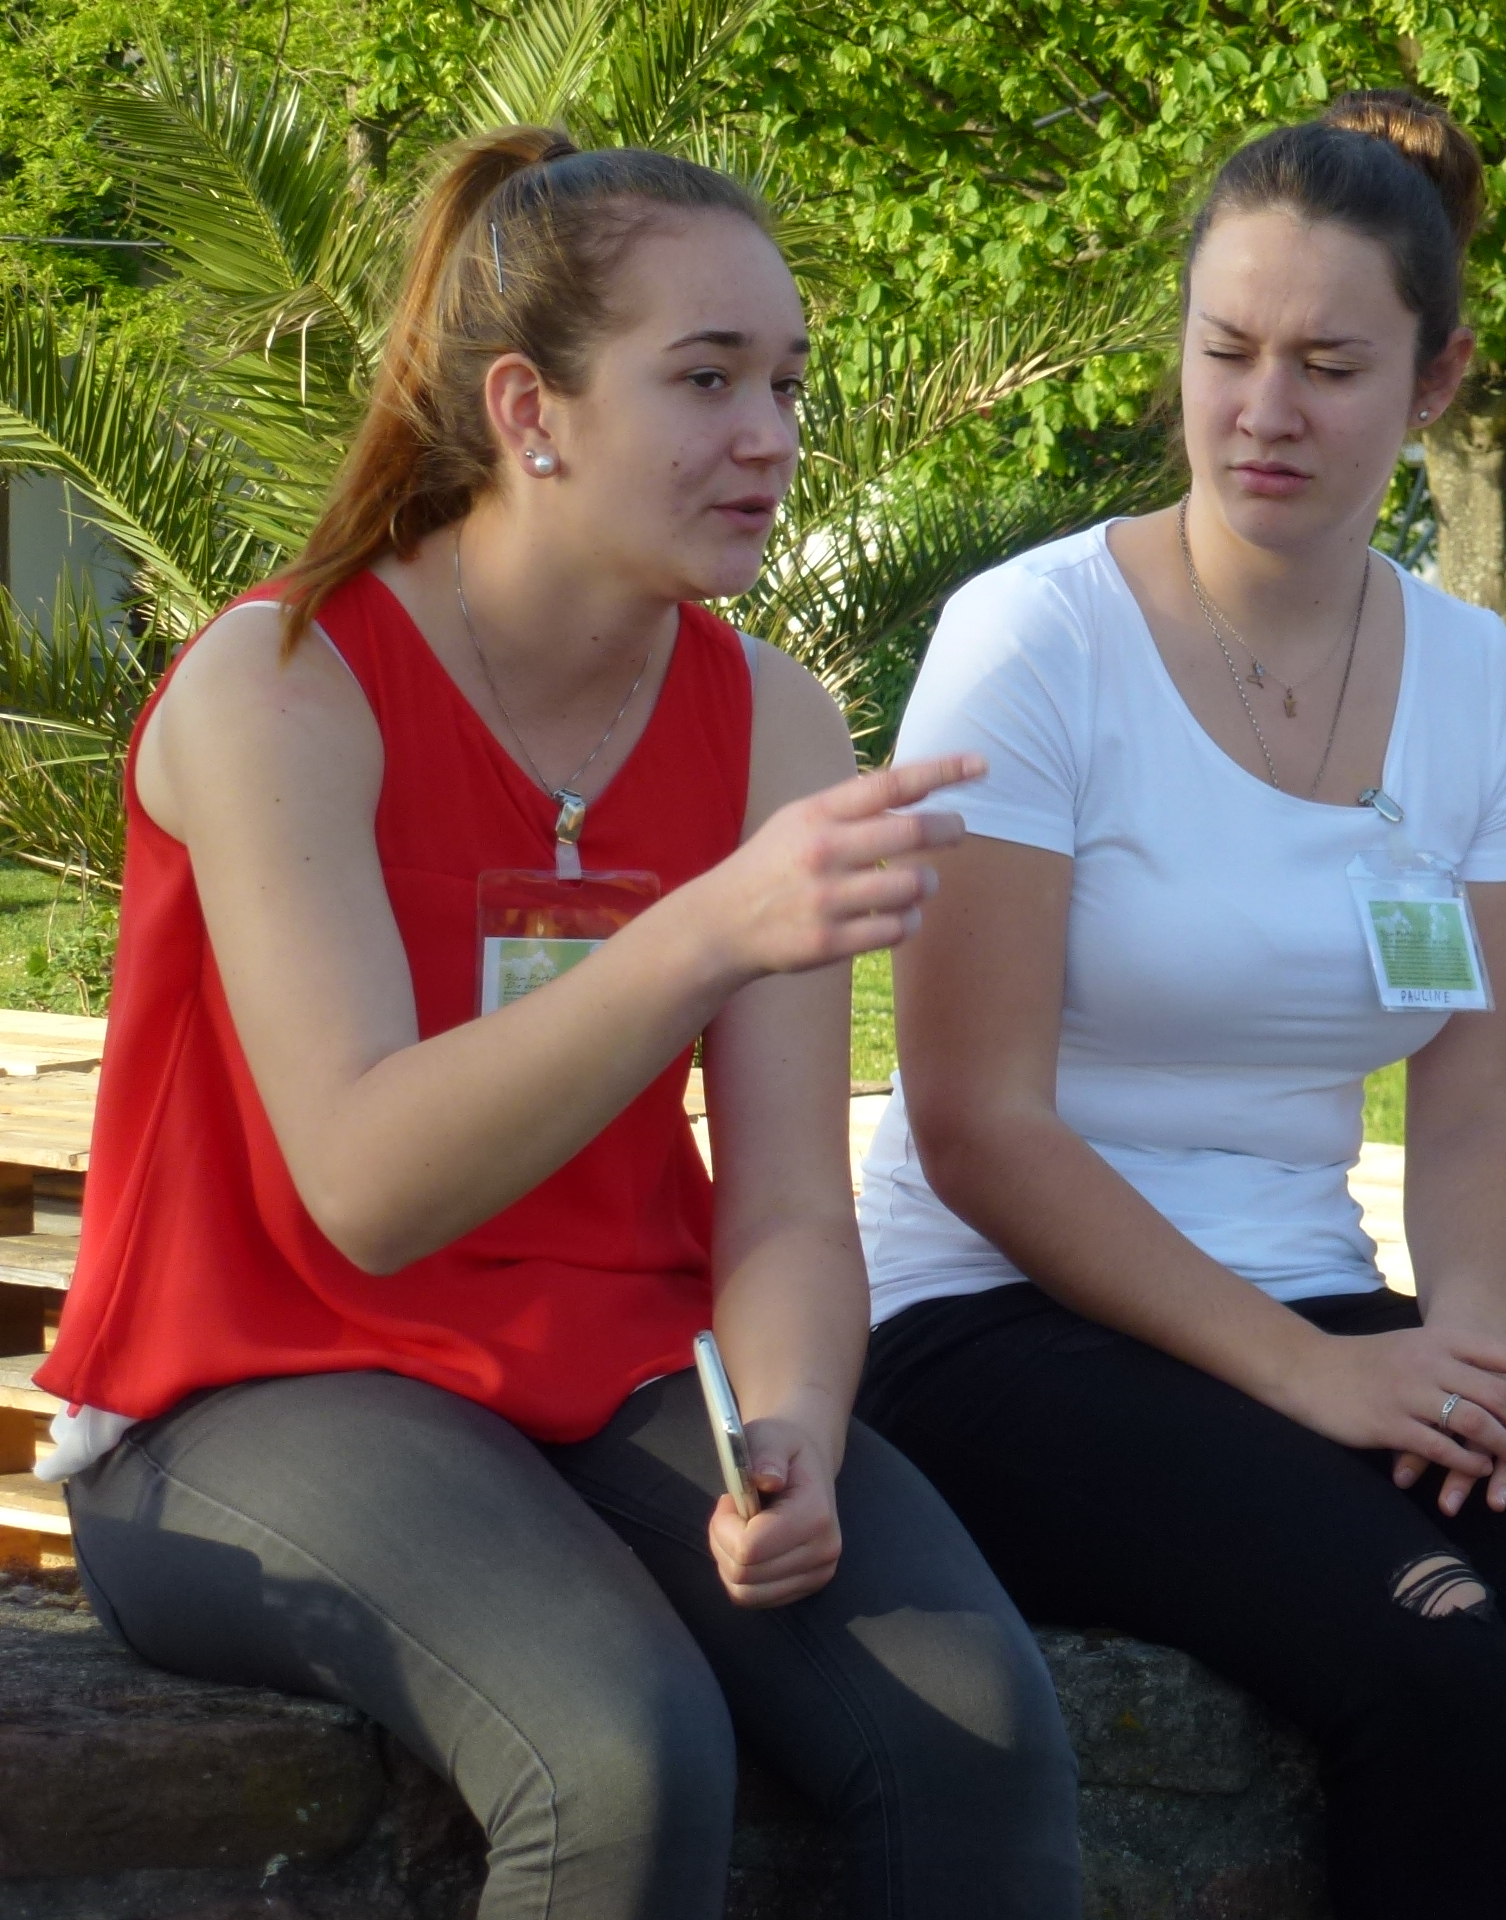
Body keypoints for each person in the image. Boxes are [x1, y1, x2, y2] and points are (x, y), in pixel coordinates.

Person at [37, 130, 1080, 1919]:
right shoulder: (280, 682)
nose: (771, 435)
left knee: (975, 1727)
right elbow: (368, 1185)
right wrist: (702, 930)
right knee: (620, 1751)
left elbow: (787, 1204)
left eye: (786, 384)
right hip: (249, 1388)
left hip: (616, 1367)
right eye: (706, 379)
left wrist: (794, 1425)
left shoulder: (774, 720)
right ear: (530, 409)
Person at [852, 90, 1506, 1920]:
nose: (1264, 409)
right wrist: (1321, 1378)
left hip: (1313, 1295)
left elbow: (1480, 1091)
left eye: (1331, 366)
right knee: (1428, 1654)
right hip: (991, 1318)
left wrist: (1475, 1366)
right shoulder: (1034, 640)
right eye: (1228, 351)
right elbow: (972, 1121)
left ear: (1436, 381)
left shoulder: (1477, 680)